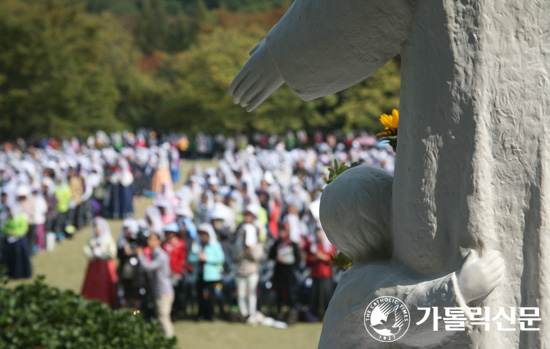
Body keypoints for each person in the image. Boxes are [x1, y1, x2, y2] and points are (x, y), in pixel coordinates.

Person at [136, 230, 174, 338]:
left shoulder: (160, 255)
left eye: (152, 239)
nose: (149, 241)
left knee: (163, 317)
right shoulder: (153, 253)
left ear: (158, 241)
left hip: (164, 292)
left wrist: (140, 255)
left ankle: (170, 342)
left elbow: (147, 267)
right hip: (158, 292)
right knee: (159, 318)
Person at [188, 223, 225, 322]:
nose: (202, 236)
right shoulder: (196, 245)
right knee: (200, 296)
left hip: (212, 276)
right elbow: (190, 258)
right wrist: (197, 258)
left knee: (211, 297)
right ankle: (201, 314)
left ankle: (211, 314)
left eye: (204, 234)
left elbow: (221, 258)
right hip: (199, 275)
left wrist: (207, 258)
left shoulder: (215, 245)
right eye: (201, 234)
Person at [233, 211, 264, 324]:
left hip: (252, 271)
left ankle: (251, 315)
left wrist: (250, 250)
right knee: (241, 295)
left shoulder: (257, 243)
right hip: (240, 271)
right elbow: (235, 256)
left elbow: (257, 258)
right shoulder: (238, 241)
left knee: (251, 294)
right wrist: (243, 250)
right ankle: (244, 315)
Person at [82, 217, 118, 309]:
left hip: (105, 267)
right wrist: (93, 254)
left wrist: (102, 254)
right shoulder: (92, 238)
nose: (95, 230)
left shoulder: (108, 238)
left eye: (97, 227)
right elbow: (86, 249)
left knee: (105, 287)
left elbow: (112, 252)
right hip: (94, 266)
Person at [268, 219, 301, 318]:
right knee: (278, 293)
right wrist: (277, 257)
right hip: (279, 272)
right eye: (280, 230)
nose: (282, 232)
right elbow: (271, 255)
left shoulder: (292, 243)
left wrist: (289, 262)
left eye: (284, 230)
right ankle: (278, 311)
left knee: (290, 293)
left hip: (289, 272)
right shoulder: (277, 243)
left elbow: (297, 259)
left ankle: (292, 313)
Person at [305, 227, 335, 320]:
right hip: (315, 275)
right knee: (315, 297)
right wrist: (316, 258)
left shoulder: (329, 246)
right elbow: (308, 261)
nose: (318, 235)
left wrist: (323, 257)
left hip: (326, 275)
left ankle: (326, 315)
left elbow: (334, 260)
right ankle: (315, 314)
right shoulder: (313, 246)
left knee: (326, 296)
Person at [161, 222, 187, 321]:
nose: (168, 235)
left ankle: (175, 313)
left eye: (170, 232)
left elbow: (181, 259)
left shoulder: (179, 244)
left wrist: (175, 270)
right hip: (164, 274)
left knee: (175, 294)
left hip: (175, 274)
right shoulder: (163, 244)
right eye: (167, 232)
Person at [0, 204, 32, 279]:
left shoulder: (21, 217)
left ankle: (19, 274)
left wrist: (15, 233)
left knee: (19, 258)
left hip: (19, 241)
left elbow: (24, 228)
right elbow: (3, 228)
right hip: (10, 241)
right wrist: (8, 231)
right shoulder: (7, 218)